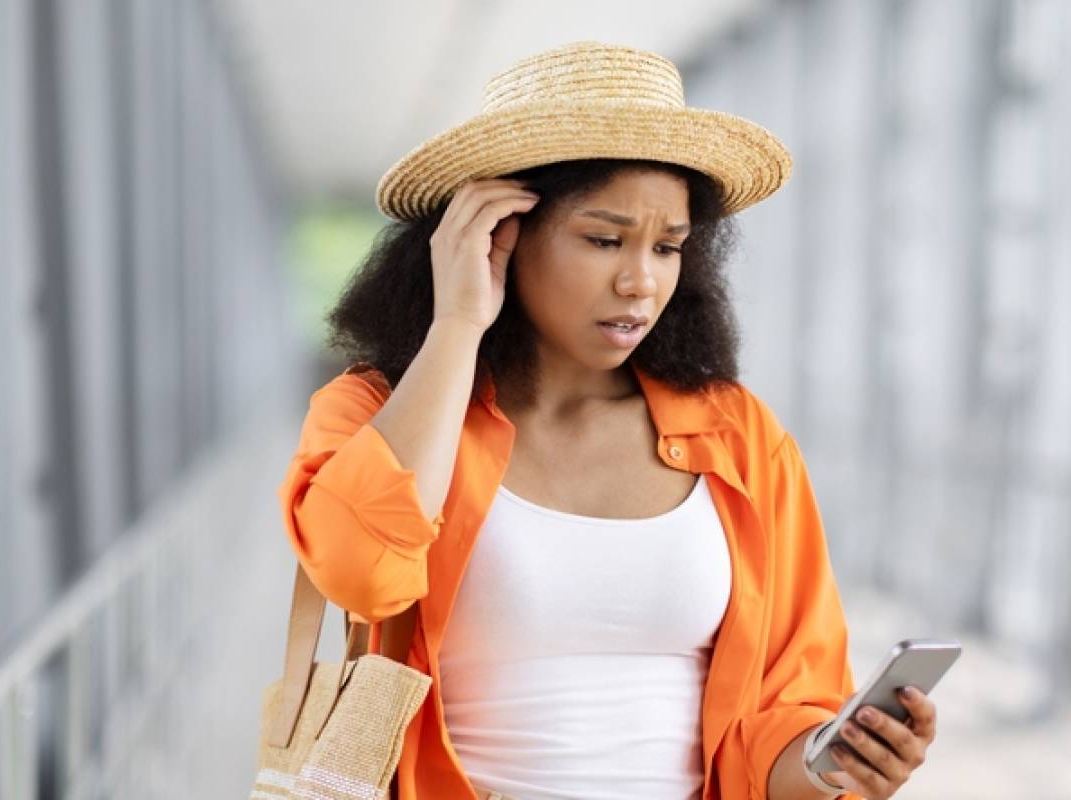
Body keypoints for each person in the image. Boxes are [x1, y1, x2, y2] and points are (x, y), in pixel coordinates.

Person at [277, 41, 938, 800]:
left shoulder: (739, 437)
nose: (640, 282)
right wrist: (457, 323)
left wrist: (838, 764)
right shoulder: (376, 411)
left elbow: (782, 721)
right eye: (603, 240)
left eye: (668, 247)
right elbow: (360, 573)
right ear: (498, 232)